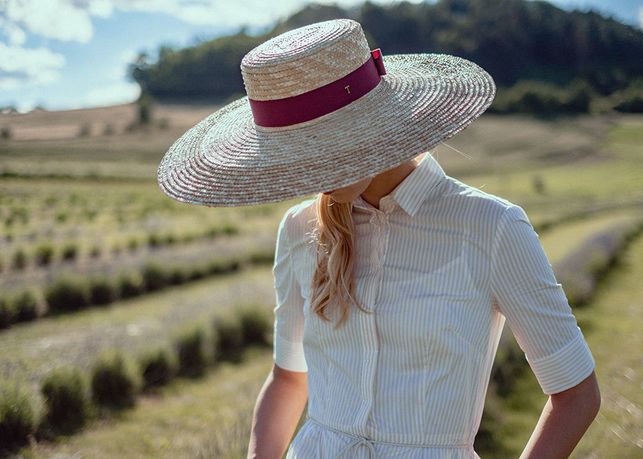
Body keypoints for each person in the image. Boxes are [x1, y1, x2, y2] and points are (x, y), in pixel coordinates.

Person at [156, 18, 600, 459]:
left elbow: (576, 394)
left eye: (322, 145)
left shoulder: (490, 226)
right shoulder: (297, 229)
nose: (310, 171)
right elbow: (289, 378)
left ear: (373, 124)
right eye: (296, 151)